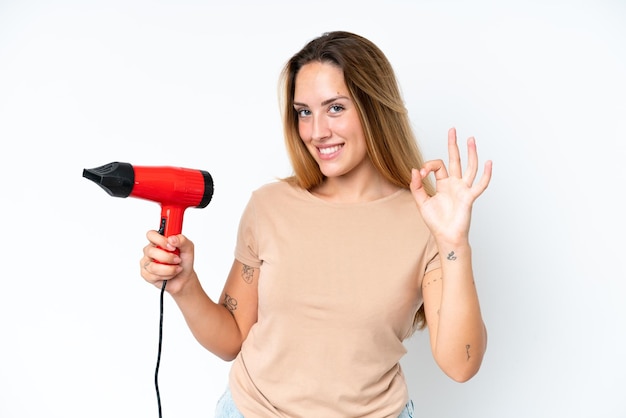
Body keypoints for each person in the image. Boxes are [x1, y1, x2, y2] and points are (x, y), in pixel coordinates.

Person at [140, 30, 492, 418]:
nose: (316, 131)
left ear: (375, 108)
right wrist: (184, 286)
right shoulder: (268, 207)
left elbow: (462, 364)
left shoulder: (426, 220)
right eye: (304, 111)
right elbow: (232, 338)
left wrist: (453, 241)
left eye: (335, 108)